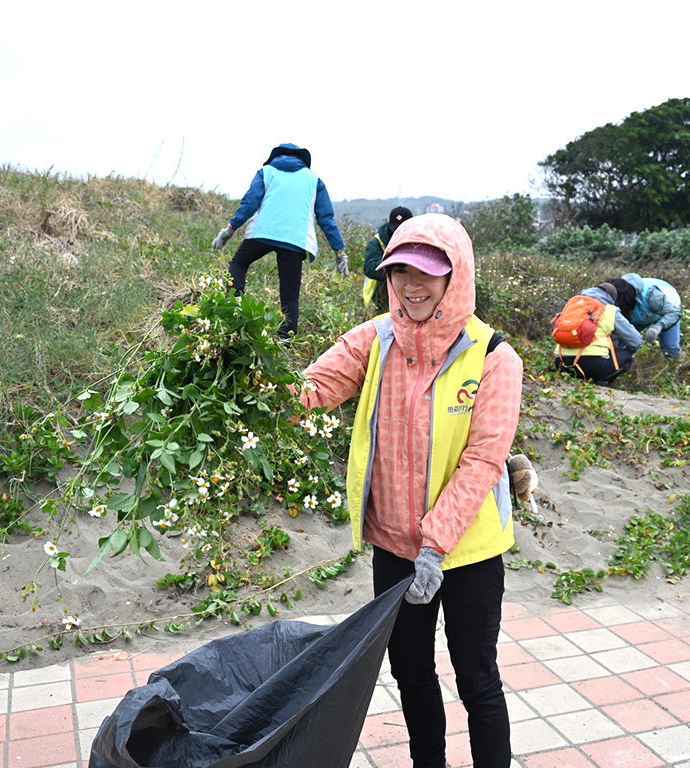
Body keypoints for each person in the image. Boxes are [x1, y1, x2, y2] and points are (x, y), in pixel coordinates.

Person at [297, 214, 522, 768]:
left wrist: (436, 544)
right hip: (395, 548)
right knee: (412, 673)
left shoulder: (493, 356)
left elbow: (483, 461)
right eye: (399, 273)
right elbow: (314, 388)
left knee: (476, 675)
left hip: (467, 550)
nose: (411, 287)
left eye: (427, 273)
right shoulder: (374, 340)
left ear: (456, 277)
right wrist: (245, 376)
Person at [211, 143, 347, 339]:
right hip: (295, 241)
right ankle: (286, 340)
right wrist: (339, 251)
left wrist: (230, 229)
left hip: (262, 233)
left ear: (275, 156)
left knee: (239, 264)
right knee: (290, 295)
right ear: (303, 160)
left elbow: (250, 203)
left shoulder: (266, 172)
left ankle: (233, 310)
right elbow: (326, 218)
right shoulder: (314, 180)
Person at [553, 278, 643, 385]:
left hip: (561, 363)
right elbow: (636, 341)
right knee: (626, 356)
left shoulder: (573, 304)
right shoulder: (609, 309)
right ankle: (601, 380)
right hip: (592, 366)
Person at [619, 273, 683, 358]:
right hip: (641, 314)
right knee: (622, 343)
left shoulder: (653, 296)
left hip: (668, 309)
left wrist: (658, 326)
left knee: (670, 349)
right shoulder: (618, 296)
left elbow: (674, 313)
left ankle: (672, 366)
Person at [363, 206, 413, 311]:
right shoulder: (378, 241)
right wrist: (392, 263)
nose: (398, 233)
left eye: (402, 230)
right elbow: (369, 268)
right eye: (395, 229)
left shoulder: (421, 239)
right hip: (385, 290)